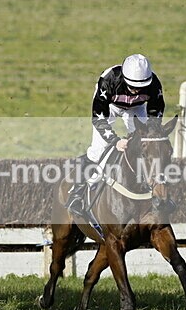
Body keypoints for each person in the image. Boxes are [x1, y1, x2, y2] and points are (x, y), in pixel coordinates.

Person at [65, 53, 165, 218]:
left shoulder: (154, 85)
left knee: (148, 147)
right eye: (132, 86)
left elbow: (155, 117)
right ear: (124, 78)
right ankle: (77, 194)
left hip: (136, 108)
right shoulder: (108, 81)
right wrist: (114, 141)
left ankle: (156, 191)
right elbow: (98, 118)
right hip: (109, 107)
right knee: (97, 150)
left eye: (141, 87)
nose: (136, 90)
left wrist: (147, 135)